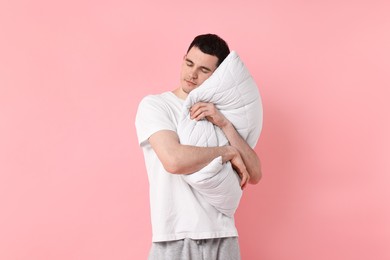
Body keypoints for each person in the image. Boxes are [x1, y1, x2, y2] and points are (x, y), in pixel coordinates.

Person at [135, 33, 262, 260]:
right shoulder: (156, 106)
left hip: (223, 236)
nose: (192, 74)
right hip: (174, 237)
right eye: (189, 63)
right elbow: (174, 160)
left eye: (204, 70)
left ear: (218, 75)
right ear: (183, 59)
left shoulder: (220, 114)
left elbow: (255, 173)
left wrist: (223, 123)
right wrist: (226, 152)